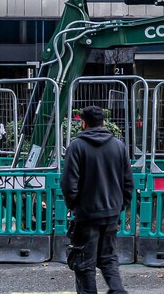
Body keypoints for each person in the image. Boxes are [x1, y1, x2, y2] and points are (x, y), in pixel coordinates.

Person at [61, 105, 132, 294]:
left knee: (85, 264)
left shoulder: (77, 147)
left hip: (87, 214)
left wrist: (74, 205)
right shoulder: (118, 146)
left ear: (83, 123)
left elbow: (69, 184)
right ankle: (118, 291)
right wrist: (120, 205)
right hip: (111, 213)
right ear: (104, 122)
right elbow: (128, 182)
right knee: (108, 258)